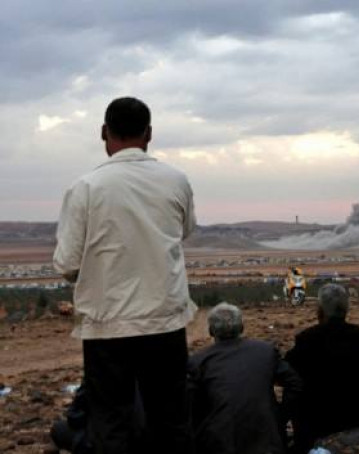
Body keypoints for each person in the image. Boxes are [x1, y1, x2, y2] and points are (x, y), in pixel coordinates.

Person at [53, 97, 197, 454]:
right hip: (164, 319)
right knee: (171, 419)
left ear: (104, 132)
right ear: (149, 134)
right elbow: (184, 231)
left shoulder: (86, 187)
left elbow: (67, 263)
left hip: (108, 324)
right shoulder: (176, 180)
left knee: (111, 421)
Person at [187, 303, 302, 454]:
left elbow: (188, 407)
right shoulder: (265, 351)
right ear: (242, 327)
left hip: (218, 443)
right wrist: (280, 416)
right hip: (267, 442)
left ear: (210, 331)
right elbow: (295, 383)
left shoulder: (197, 361)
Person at [285, 284, 359, 454]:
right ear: (346, 310)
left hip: (317, 426)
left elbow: (288, 373)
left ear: (320, 311)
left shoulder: (307, 340)